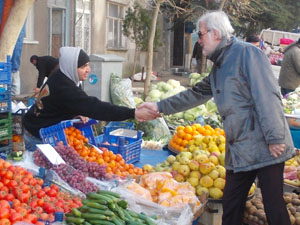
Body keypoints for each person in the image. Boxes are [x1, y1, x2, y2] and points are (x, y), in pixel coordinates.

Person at [139, 11, 295, 225]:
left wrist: (275, 137)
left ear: (215, 33)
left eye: (201, 34)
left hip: (266, 145)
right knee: (231, 205)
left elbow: (267, 95)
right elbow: (196, 93)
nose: (199, 40)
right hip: (240, 150)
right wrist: (159, 106)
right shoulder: (220, 64)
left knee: (273, 206)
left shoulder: (247, 54)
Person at [23, 47, 159, 151]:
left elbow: (60, 103)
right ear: (71, 67)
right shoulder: (65, 87)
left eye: (87, 65)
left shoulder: (61, 75)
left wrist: (76, 111)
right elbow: (95, 107)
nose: (88, 70)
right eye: (82, 67)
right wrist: (132, 113)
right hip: (37, 137)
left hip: (36, 127)